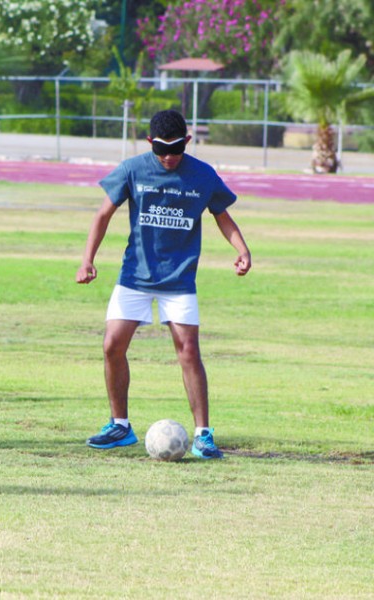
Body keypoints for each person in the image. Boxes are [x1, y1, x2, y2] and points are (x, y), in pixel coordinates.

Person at [76, 109, 251, 459]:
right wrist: (87, 259)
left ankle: (204, 435)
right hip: (135, 276)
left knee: (188, 351)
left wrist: (242, 249)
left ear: (187, 142)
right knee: (112, 345)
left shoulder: (202, 175)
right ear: (149, 144)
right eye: (160, 150)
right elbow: (102, 214)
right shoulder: (133, 169)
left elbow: (223, 216)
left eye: (175, 150)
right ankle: (120, 426)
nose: (168, 157)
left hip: (179, 279)